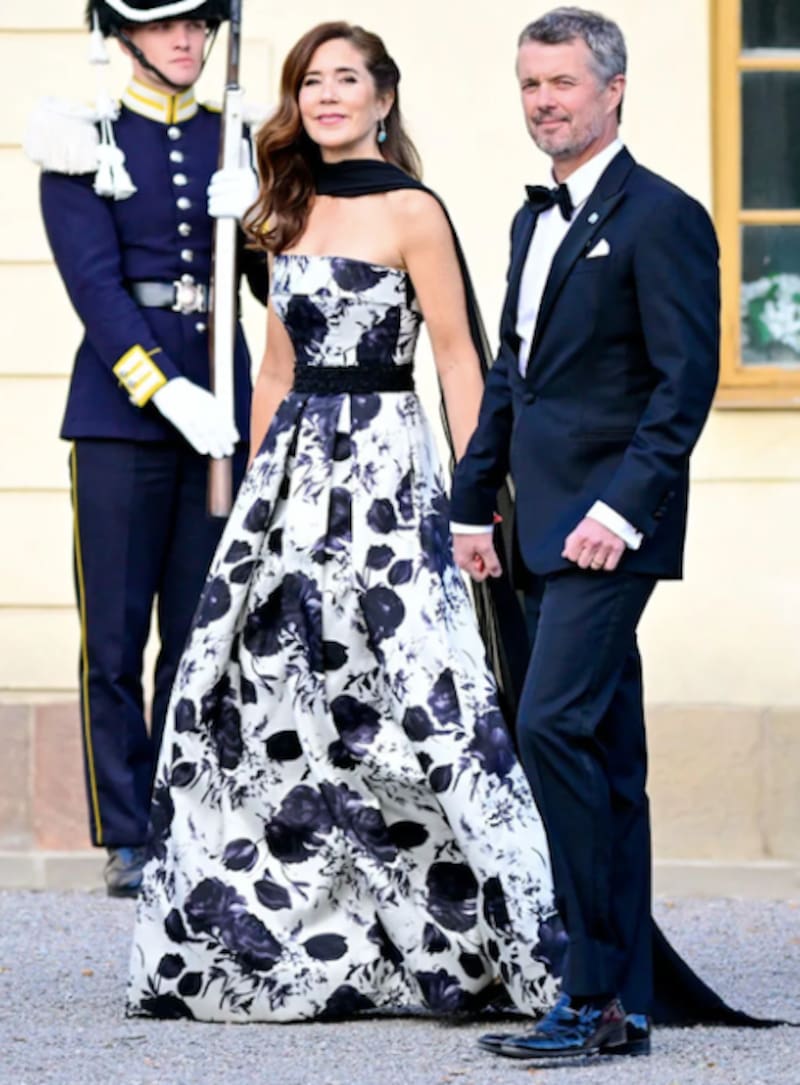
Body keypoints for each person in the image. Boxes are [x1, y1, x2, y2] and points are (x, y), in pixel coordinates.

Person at [126, 20, 563, 1023]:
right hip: (290, 481)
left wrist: (471, 494)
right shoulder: (282, 208)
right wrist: (248, 508)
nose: (326, 95)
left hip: (387, 466)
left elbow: (458, 358)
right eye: (310, 81)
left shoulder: (413, 210)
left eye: (346, 80)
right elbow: (276, 367)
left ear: (380, 99)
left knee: (420, 696)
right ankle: (288, 930)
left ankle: (477, 934)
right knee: (276, 698)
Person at [451, 6, 721, 1061]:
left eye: (560, 83)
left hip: (611, 529)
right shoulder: (533, 220)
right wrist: (474, 503)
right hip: (535, 527)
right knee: (604, 755)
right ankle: (629, 1003)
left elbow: (681, 384)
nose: (542, 102)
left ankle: (589, 985)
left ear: (612, 90)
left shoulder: (661, 216)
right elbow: (513, 378)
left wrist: (620, 509)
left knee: (548, 726)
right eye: (528, 84)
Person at [26, 0, 267, 898]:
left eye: (200, 27)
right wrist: (163, 385)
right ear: (125, 37)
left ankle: (182, 815)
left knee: (200, 631)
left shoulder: (235, 139)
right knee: (117, 635)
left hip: (224, 403)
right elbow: (93, 283)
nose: (186, 42)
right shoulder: (80, 136)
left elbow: (274, 283)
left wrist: (259, 226)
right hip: (124, 413)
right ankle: (126, 832)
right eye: (166, 28)